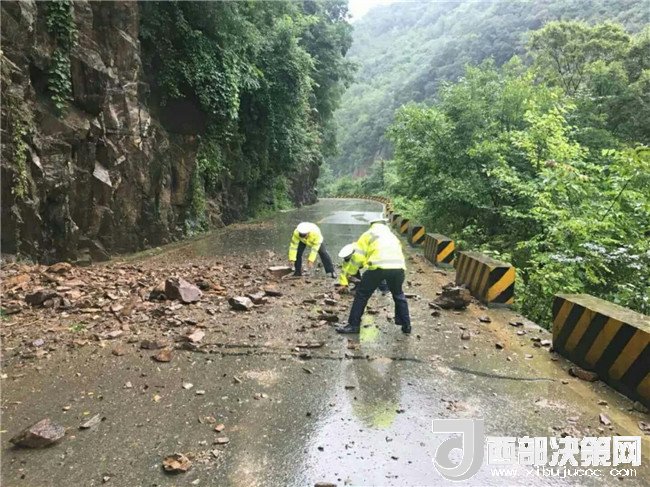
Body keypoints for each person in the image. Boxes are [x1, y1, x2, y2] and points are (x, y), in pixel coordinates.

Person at [335, 218, 411, 334]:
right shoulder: (392, 236)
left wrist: (350, 274)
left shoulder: (368, 234)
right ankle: (406, 325)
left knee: (362, 294)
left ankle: (354, 325)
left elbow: (358, 258)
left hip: (378, 267)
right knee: (398, 294)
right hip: (398, 267)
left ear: (372, 225)